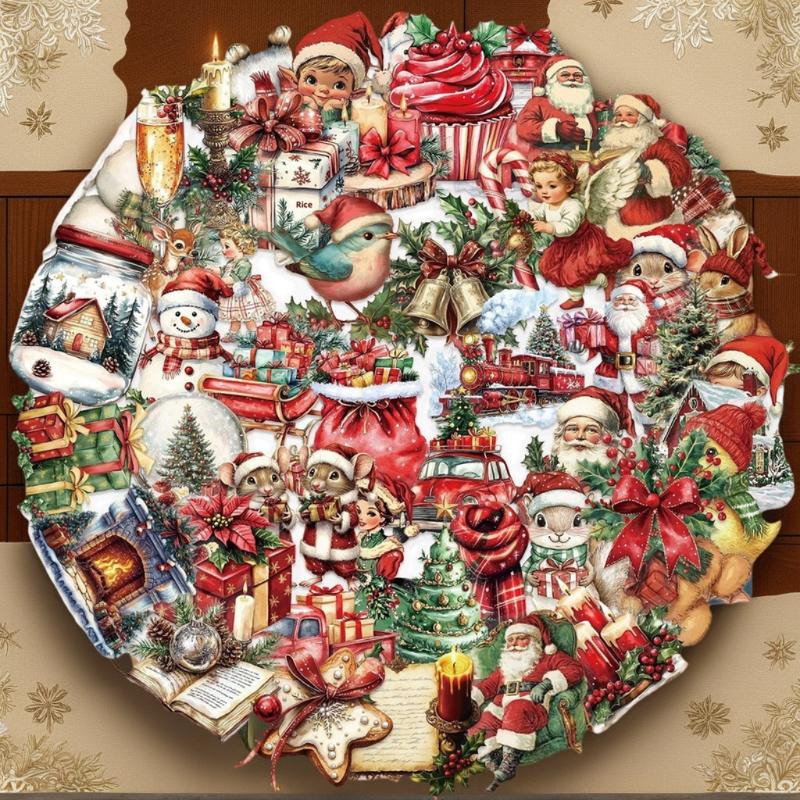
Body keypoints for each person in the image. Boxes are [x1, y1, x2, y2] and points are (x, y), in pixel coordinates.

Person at [469, 616, 583, 789]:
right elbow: (488, 685)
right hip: (501, 707)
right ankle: (492, 758)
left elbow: (575, 670)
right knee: (479, 723)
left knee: (517, 709)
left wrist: (546, 684)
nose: (514, 644)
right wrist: (471, 700)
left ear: (534, 641)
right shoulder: (505, 667)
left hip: (531, 706)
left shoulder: (548, 658)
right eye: (510, 640)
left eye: (521, 638)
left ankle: (509, 763)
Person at [528, 154, 632, 309]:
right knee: (553, 269)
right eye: (539, 186)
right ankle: (577, 297)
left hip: (582, 243)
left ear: (569, 187)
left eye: (552, 186)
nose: (544, 191)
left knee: (574, 273)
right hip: (563, 245)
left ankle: (603, 280)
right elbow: (537, 214)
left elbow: (568, 228)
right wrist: (527, 218)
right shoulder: (547, 205)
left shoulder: (573, 206)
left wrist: (549, 228)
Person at [597, 94, 692, 234]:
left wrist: (649, 172)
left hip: (650, 218)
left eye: (629, 115)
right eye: (618, 115)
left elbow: (682, 170)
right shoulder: (610, 144)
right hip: (612, 218)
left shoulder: (657, 144)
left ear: (642, 118)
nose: (622, 119)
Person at [278, 11, 386, 114]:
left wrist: (330, 111)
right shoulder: (290, 101)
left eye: (339, 85)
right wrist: (307, 106)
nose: (323, 89)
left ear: (355, 92)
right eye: (311, 80)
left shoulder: (356, 110)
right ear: (295, 79)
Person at [509, 56, 602, 158]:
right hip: (551, 160)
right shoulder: (538, 102)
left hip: (588, 159)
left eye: (577, 75)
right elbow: (523, 127)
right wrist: (557, 129)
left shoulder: (588, 104)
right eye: (565, 75)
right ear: (553, 80)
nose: (572, 78)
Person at [550, 386, 633, 477]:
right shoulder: (546, 469)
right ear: (561, 433)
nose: (580, 436)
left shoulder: (623, 474)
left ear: (607, 437)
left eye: (591, 430)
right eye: (573, 429)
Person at [217, 225, 274, 342]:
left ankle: (253, 337)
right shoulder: (231, 262)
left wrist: (219, 281)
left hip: (243, 295)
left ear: (240, 246)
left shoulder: (244, 264)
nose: (223, 250)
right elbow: (223, 270)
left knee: (248, 318)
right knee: (234, 317)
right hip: (232, 296)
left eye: (226, 246)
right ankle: (233, 335)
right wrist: (213, 271)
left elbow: (235, 278)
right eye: (222, 246)